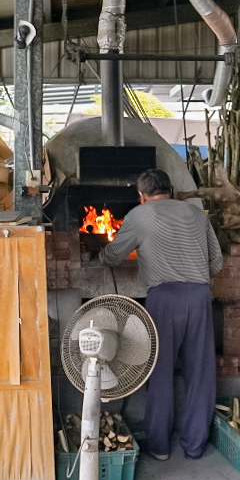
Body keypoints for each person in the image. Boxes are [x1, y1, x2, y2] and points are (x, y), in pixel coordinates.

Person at [100, 168, 223, 460]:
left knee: (159, 372)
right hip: (198, 297)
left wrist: (103, 255)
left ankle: (159, 446)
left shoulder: (138, 215)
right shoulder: (196, 213)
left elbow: (114, 255)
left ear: (142, 196)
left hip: (163, 300)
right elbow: (216, 262)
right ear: (171, 191)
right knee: (201, 373)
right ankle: (194, 446)